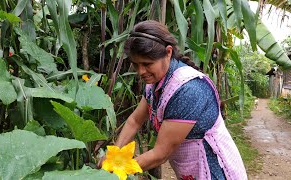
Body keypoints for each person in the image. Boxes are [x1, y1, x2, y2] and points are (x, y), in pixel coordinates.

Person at [102, 20, 247, 180]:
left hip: (213, 169)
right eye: (136, 65)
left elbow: (160, 154)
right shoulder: (155, 82)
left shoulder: (188, 91)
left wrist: (117, 168)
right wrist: (113, 155)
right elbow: (135, 121)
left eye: (147, 64)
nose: (141, 71)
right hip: (191, 167)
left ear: (168, 52)